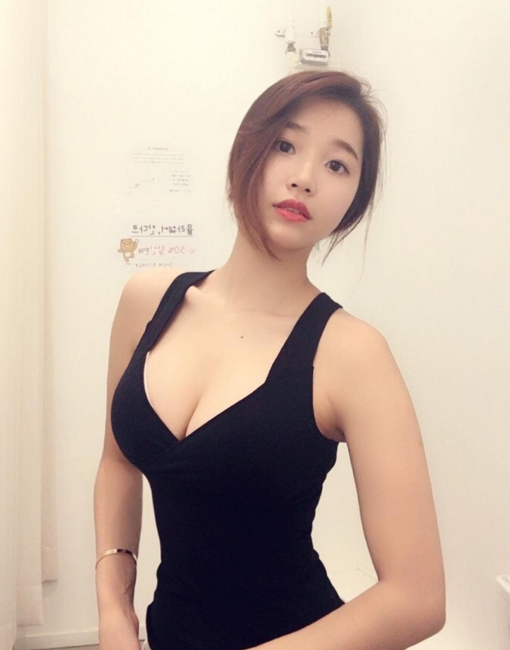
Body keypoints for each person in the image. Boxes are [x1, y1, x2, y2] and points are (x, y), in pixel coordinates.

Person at [94, 69, 446, 650]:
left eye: (338, 165)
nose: (304, 177)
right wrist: (114, 613)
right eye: (286, 145)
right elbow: (116, 462)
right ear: (247, 151)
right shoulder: (147, 302)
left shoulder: (352, 353)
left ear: (353, 202)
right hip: (169, 632)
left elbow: (418, 599)